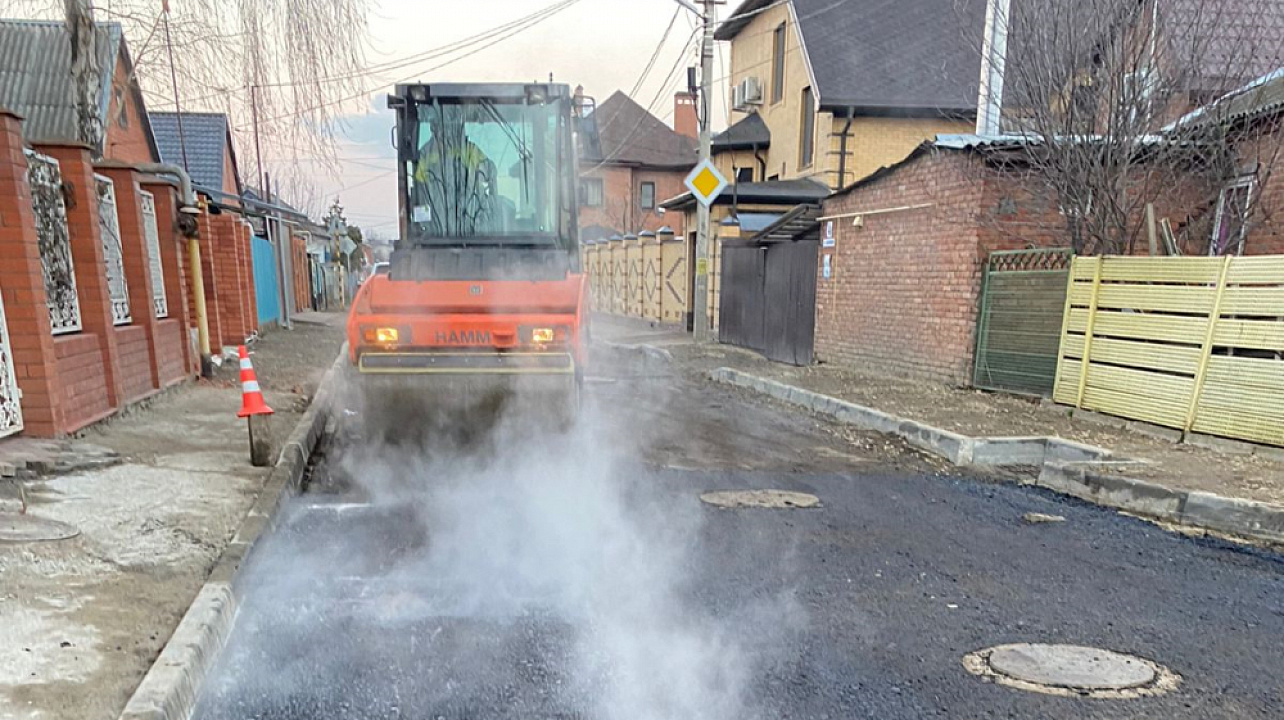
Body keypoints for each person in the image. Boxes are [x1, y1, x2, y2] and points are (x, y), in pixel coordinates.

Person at [412, 110, 497, 237]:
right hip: (435, 235)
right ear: (434, 130)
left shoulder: (470, 153)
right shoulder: (426, 157)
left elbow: (490, 173)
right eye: (441, 130)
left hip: (471, 231)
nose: (445, 135)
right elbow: (420, 197)